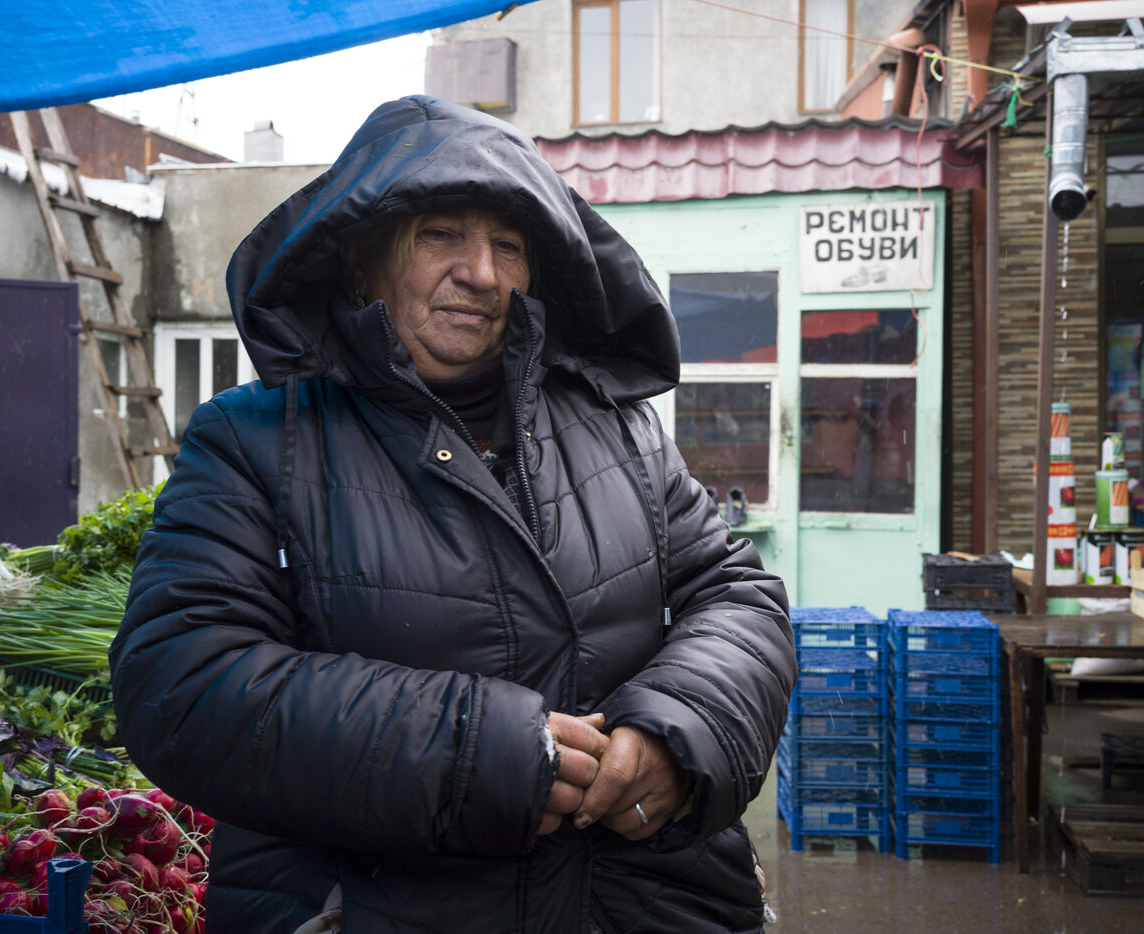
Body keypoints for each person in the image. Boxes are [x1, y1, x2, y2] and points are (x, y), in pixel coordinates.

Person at [109, 95, 796, 934]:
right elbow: (181, 682)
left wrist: (681, 732)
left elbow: (737, 597)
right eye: (440, 234)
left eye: (509, 245)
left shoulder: (618, 428)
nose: (483, 273)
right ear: (360, 255)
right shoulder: (257, 442)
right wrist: (475, 755)